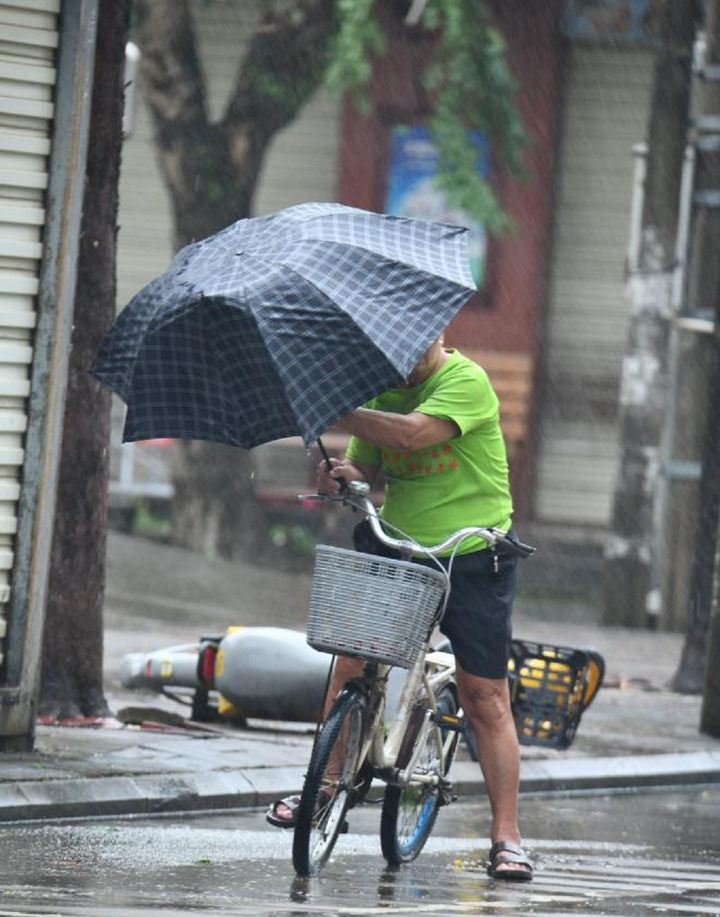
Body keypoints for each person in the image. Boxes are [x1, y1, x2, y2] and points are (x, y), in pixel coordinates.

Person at [266, 336, 533, 881]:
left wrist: (334, 406)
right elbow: (369, 468)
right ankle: (321, 790)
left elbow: (413, 435)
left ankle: (507, 837)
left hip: (474, 555)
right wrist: (341, 475)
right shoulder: (382, 392)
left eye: (417, 346)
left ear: (440, 337)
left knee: (485, 697)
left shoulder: (467, 382)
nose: (405, 358)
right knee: (351, 666)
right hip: (400, 547)